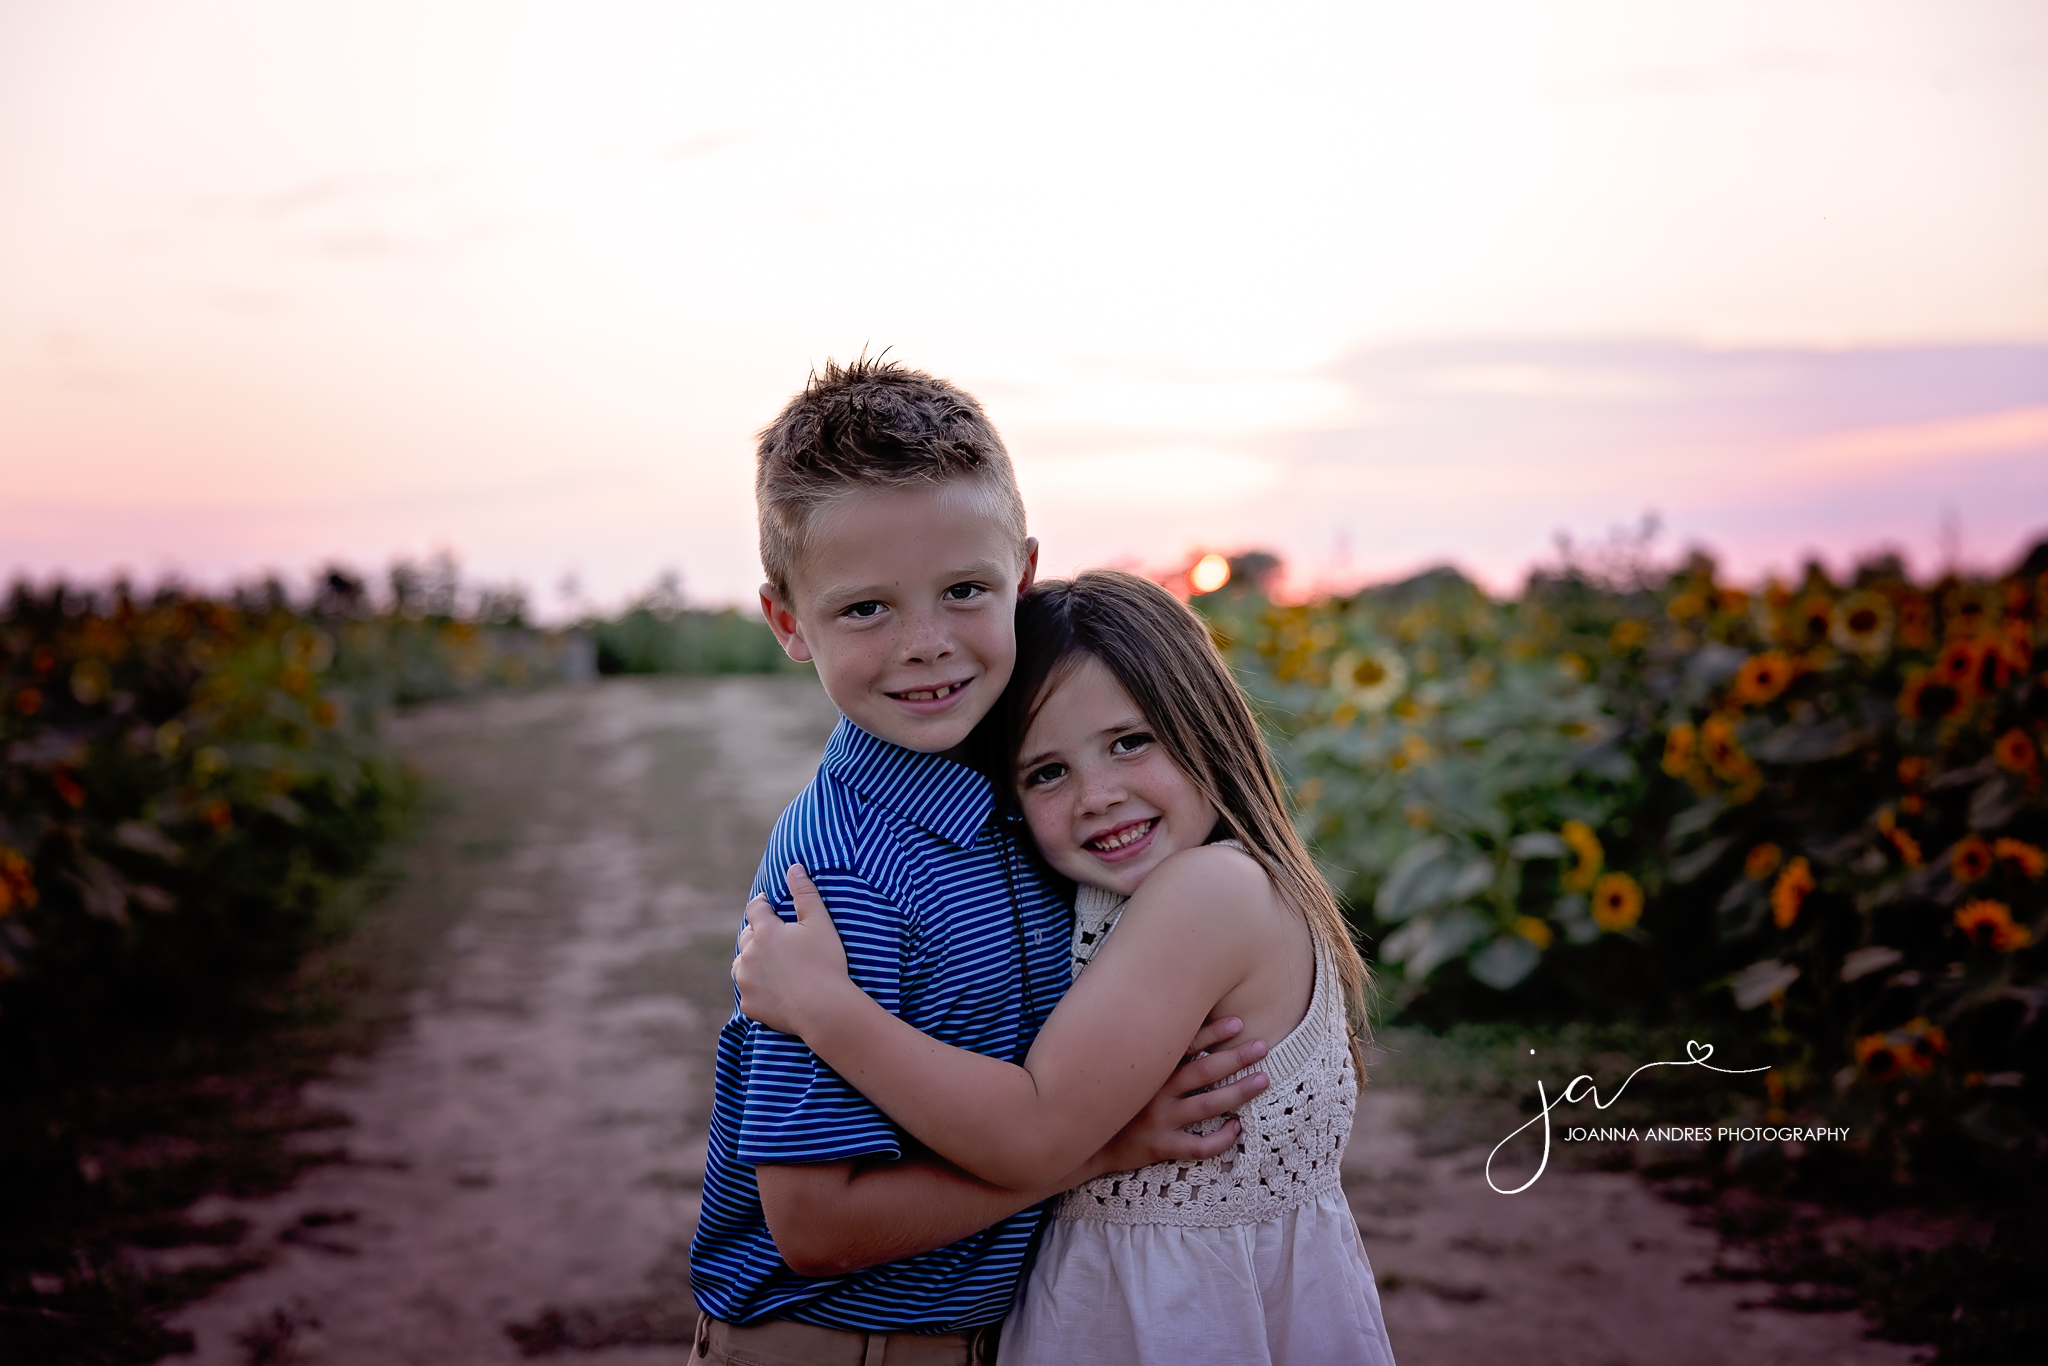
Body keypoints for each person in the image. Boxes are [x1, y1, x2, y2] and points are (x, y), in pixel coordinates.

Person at [689, 360, 1271, 1366]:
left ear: (1024, 576)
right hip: (831, 1347)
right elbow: (814, 1225)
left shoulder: (1036, 799)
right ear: (788, 621)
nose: (926, 644)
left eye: (963, 591)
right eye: (864, 609)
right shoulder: (836, 882)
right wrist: (1098, 1150)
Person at [734, 569, 1399, 1365]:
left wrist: (825, 1007)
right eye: (1047, 772)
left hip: (1176, 1322)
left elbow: (1037, 1129)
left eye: (1130, 742)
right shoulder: (1139, 892)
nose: (1097, 795)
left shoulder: (1209, 892)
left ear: (1206, 728)